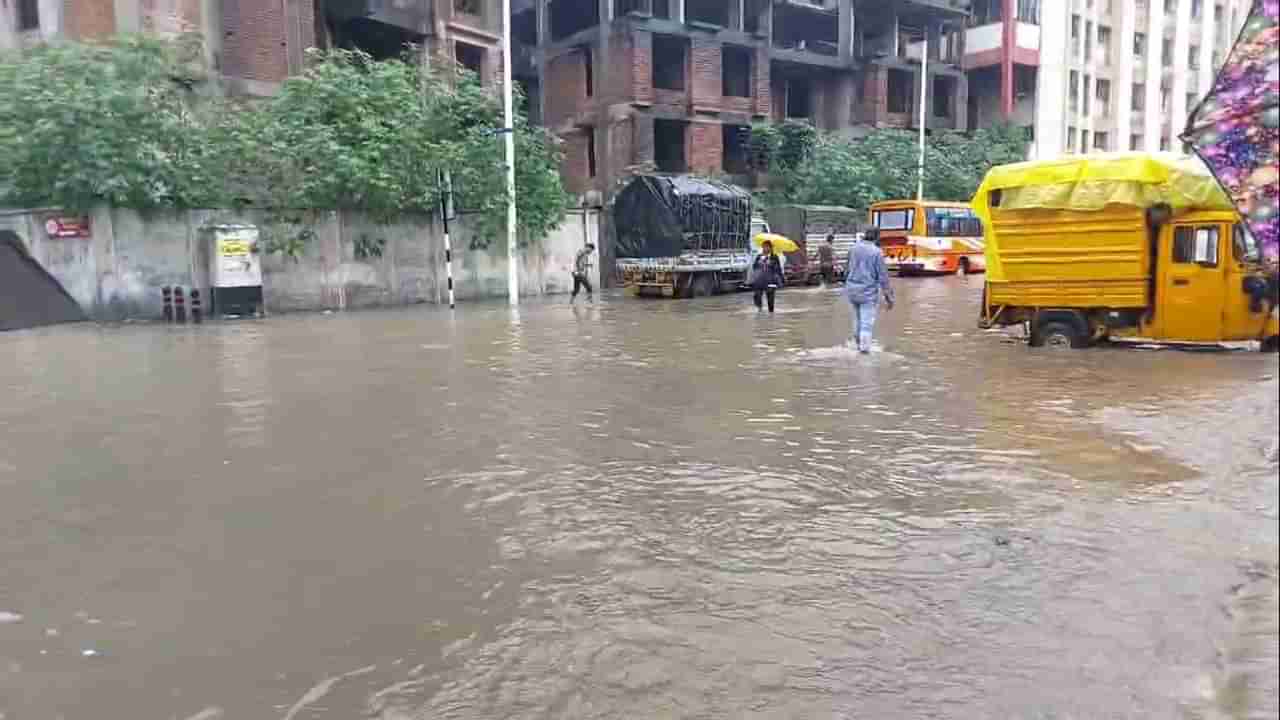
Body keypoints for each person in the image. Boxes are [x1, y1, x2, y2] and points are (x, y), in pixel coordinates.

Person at [844, 228, 894, 353]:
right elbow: (883, 276)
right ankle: (864, 351)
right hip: (868, 292)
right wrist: (888, 296)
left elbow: (846, 269)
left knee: (856, 319)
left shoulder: (853, 248)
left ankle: (857, 345)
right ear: (877, 237)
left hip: (851, 290)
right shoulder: (877, 252)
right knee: (866, 322)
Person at [752, 240, 784, 313]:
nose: (765, 248)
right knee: (757, 296)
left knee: (770, 300)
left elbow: (778, 269)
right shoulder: (759, 257)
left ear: (770, 248)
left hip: (770, 280)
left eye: (767, 247)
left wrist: (771, 264)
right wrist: (759, 263)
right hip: (760, 280)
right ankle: (759, 310)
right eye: (764, 247)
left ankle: (771, 314)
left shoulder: (774, 257)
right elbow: (754, 267)